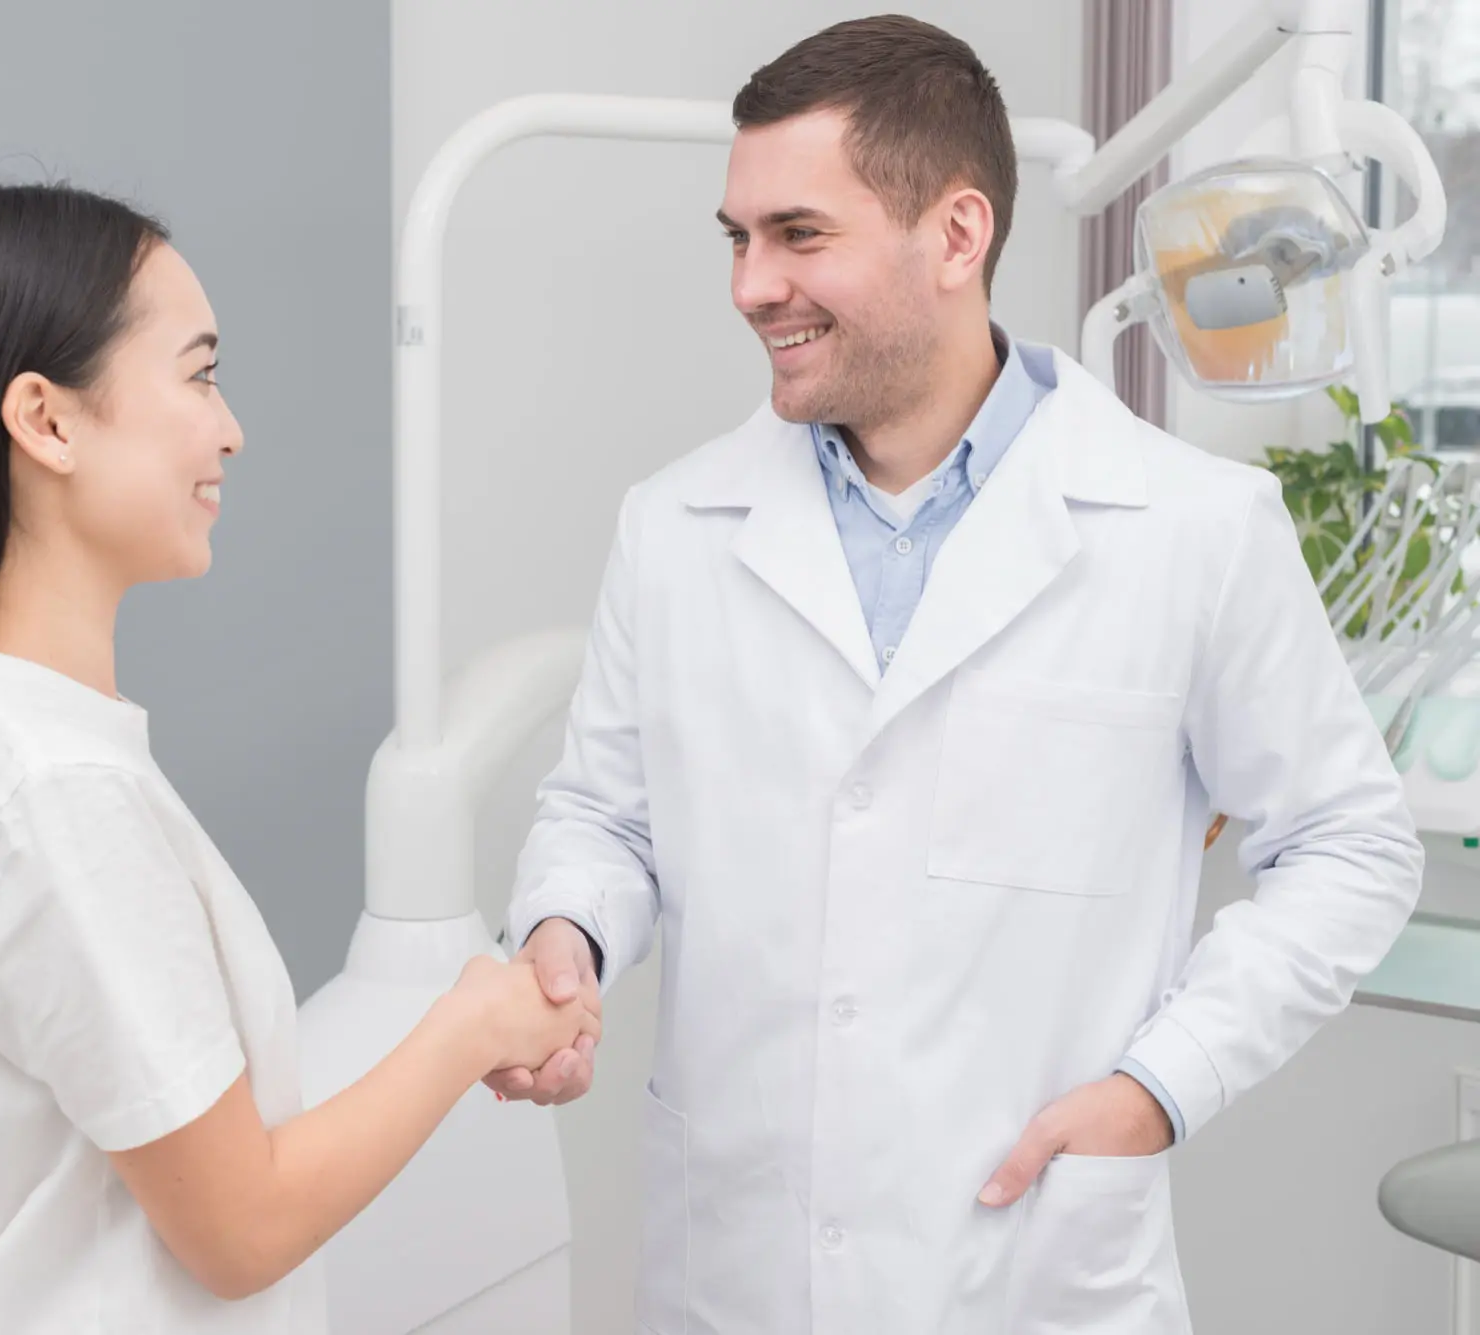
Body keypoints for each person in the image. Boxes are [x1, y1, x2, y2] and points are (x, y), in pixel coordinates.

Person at [490, 15, 1425, 1334]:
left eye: (799, 235)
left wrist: (1160, 1083)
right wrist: (564, 936)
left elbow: (1350, 845)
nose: (752, 284)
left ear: (957, 233)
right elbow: (604, 813)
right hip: (741, 1270)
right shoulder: (675, 523)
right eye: (738, 237)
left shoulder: (1190, 531)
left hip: (1029, 1265)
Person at [0, 183, 600, 1335]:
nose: (229, 427)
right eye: (199, 374)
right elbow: (238, 1229)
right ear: (47, 421)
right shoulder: (56, 795)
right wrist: (467, 1030)